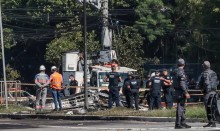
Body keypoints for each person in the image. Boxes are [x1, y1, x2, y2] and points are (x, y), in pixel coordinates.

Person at [198, 61, 219, 127]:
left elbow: (202, 83)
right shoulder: (214, 72)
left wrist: (201, 89)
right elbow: (217, 82)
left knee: (208, 107)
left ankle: (211, 122)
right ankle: (213, 121)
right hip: (214, 92)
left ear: (204, 66)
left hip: (208, 92)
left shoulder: (204, 73)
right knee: (213, 107)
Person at [174, 58, 191, 129]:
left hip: (178, 91)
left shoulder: (176, 71)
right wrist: (186, 92)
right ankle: (178, 124)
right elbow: (182, 83)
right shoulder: (181, 72)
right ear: (184, 64)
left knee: (182, 108)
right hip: (181, 92)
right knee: (180, 108)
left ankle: (183, 123)